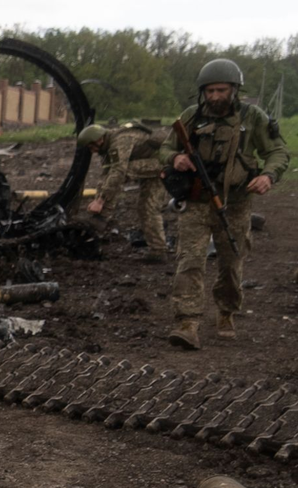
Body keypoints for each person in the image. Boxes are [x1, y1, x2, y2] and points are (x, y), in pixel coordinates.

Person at [160, 58, 289, 349]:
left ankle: (227, 311)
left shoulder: (252, 117)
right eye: (210, 91)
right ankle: (187, 323)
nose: (215, 96)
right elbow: (167, 146)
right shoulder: (191, 116)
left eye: (221, 90)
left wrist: (268, 176)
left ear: (234, 89)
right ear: (202, 92)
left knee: (231, 262)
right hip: (196, 201)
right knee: (189, 261)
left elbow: (278, 152)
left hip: (235, 203)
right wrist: (174, 157)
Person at [77, 122, 170, 262]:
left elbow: (118, 172)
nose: (92, 151)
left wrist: (101, 201)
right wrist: (97, 202)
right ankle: (158, 251)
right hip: (149, 165)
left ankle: (158, 251)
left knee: (123, 173)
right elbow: (105, 176)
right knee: (145, 208)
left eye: (91, 147)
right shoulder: (107, 146)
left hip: (161, 163)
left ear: (99, 140)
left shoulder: (120, 141)